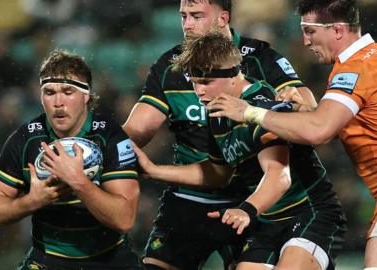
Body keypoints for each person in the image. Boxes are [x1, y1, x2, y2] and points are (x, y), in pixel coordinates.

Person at [207, 0, 377, 269]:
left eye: (310, 31)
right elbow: (353, 123)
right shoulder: (375, 56)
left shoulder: (355, 67)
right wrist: (311, 109)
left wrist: (250, 112)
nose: (305, 41)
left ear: (338, 30)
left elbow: (320, 132)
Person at [123, 0, 316, 269]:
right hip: (191, 194)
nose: (187, 25)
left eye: (197, 16)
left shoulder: (260, 58)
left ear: (223, 18)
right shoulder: (171, 64)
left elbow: (307, 105)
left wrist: (293, 102)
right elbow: (137, 129)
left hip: (251, 197)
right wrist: (105, 154)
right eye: (184, 16)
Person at [0, 50, 143, 270]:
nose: (58, 102)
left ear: (86, 96)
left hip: (109, 258)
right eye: (49, 92)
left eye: (68, 91)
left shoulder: (110, 137)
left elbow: (125, 219)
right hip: (48, 259)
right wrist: (32, 201)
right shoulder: (25, 139)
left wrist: (78, 181)